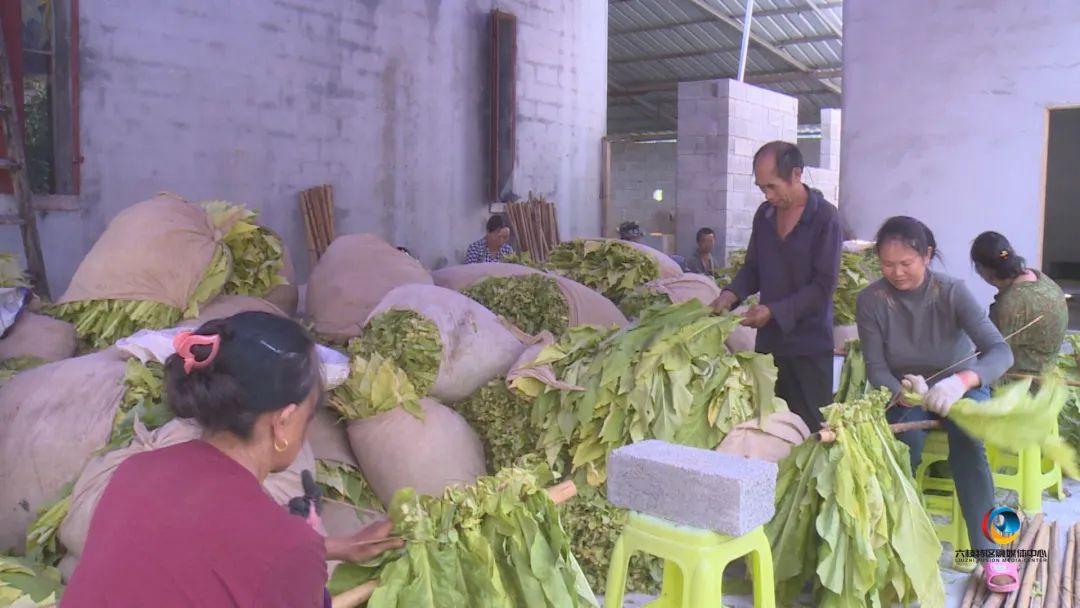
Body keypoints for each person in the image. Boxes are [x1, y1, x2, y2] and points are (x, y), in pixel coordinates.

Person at [63, 312, 404, 607]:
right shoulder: (285, 548)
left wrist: (334, 548)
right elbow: (256, 553)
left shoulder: (136, 472)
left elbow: (201, 553)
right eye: (309, 415)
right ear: (283, 422)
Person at [857, 217, 1017, 593]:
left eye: (906, 263)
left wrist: (962, 381)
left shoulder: (952, 291)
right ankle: (898, 546)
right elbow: (876, 367)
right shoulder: (871, 301)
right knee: (902, 450)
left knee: (968, 444)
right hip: (905, 390)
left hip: (959, 387)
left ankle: (990, 550)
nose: (896, 273)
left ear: (927, 255)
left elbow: (1000, 352)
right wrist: (902, 389)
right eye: (887, 264)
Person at [712, 141, 842, 432]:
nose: (767, 196)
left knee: (811, 434)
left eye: (772, 186)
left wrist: (774, 311)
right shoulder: (765, 215)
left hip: (809, 347)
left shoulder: (825, 218)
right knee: (769, 430)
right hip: (769, 348)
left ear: (796, 174)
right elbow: (753, 269)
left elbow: (823, 286)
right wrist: (729, 294)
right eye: (761, 188)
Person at [971, 231, 1068, 375]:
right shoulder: (1040, 278)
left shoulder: (1010, 305)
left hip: (1024, 383)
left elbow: (988, 357)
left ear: (980, 268)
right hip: (1048, 369)